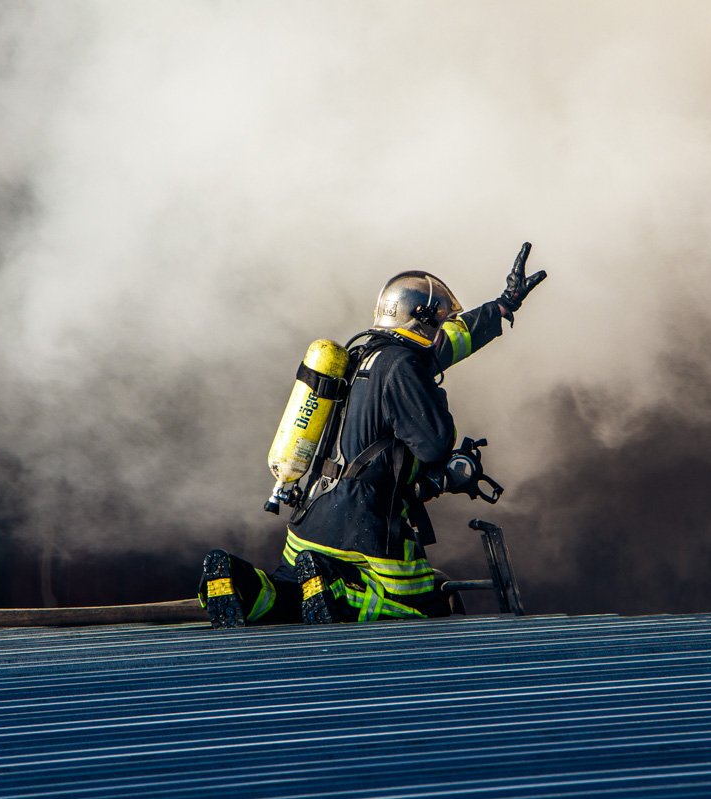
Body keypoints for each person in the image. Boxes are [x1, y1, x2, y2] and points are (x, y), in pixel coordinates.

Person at [199, 242, 546, 627]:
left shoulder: (365, 353)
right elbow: (433, 444)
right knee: (424, 607)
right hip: (365, 524)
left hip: (311, 517)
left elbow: (448, 345)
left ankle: (240, 584)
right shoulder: (403, 368)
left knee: (291, 593)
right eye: (438, 321)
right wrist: (446, 457)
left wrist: (502, 306)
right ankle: (338, 593)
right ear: (421, 320)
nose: (442, 329)